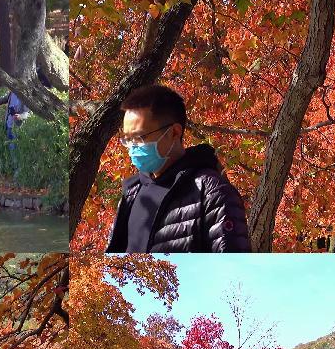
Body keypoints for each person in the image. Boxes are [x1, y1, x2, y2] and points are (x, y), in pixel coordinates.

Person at [105, 83, 251, 252]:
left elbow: (231, 269)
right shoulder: (132, 193)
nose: (132, 147)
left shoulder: (212, 192)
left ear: (174, 132)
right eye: (127, 139)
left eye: (139, 137)